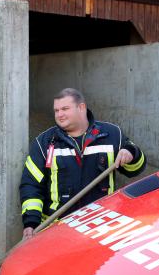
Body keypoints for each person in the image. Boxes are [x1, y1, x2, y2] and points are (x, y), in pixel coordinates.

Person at [20, 88, 146, 240]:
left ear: (81, 108)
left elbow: (136, 169)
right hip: (57, 228)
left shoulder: (112, 134)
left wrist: (131, 153)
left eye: (65, 109)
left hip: (101, 225)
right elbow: (31, 185)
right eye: (56, 110)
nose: (59, 115)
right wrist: (31, 222)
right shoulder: (44, 142)